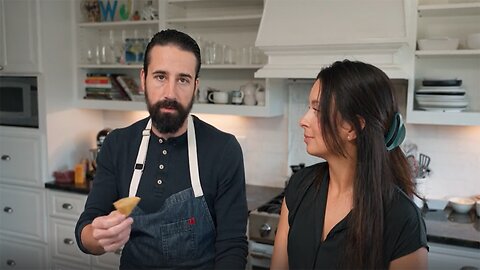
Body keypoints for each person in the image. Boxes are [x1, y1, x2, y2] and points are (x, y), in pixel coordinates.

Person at [75, 29, 248, 269]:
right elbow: (86, 229)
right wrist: (97, 236)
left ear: (195, 86)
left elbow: (232, 245)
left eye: (183, 80)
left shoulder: (223, 149)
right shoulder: (118, 144)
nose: (170, 93)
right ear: (143, 79)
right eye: (160, 77)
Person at [271, 60, 428, 270]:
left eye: (318, 110)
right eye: (309, 107)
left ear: (353, 127)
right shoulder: (299, 186)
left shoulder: (402, 219)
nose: (303, 120)